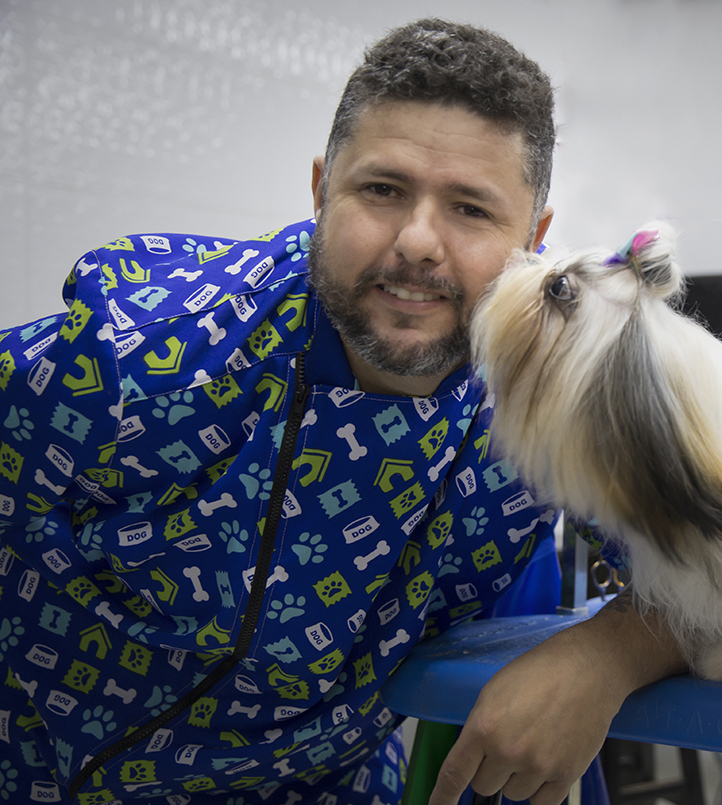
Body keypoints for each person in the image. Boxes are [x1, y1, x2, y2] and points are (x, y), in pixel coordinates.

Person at [0, 18, 685, 805]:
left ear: (534, 236)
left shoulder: (557, 399)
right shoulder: (137, 354)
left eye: (470, 209)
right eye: (383, 190)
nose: (420, 241)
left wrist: (605, 657)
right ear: (322, 189)